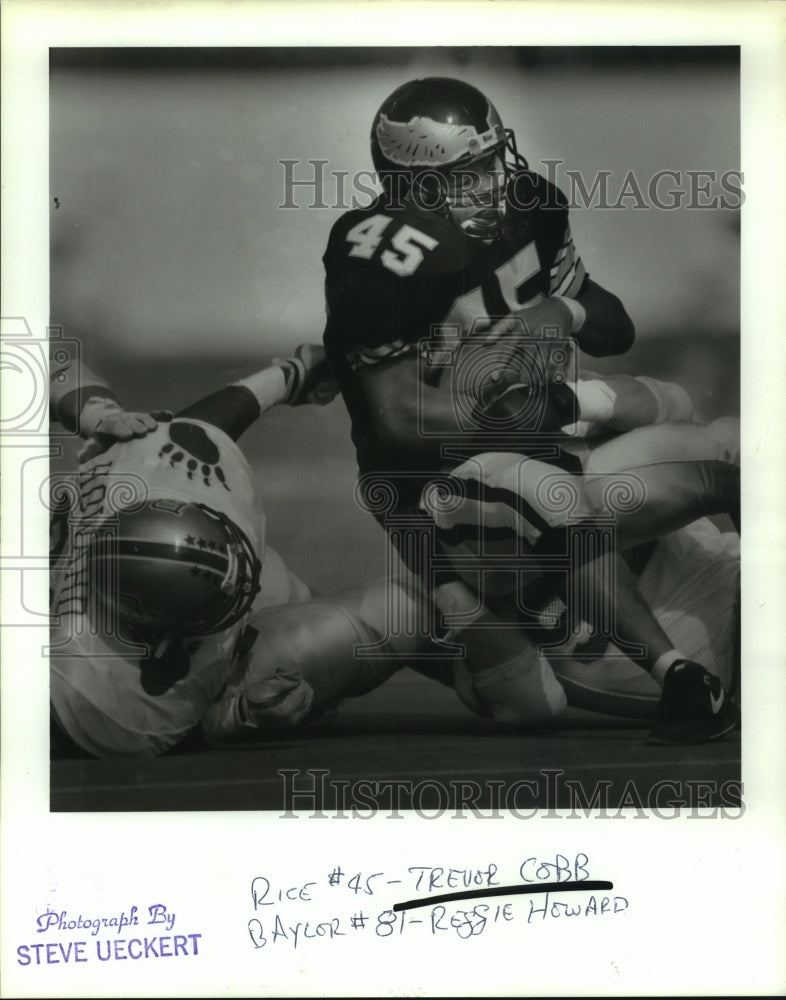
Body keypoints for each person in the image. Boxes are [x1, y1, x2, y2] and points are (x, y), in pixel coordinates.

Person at [322, 76, 738, 746]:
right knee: (542, 496)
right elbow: (401, 420)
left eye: (494, 160)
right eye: (471, 174)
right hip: (437, 491)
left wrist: (563, 309)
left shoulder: (529, 207)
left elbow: (613, 325)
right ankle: (676, 677)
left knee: (734, 448)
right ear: (415, 187)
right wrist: (551, 411)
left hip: (544, 446)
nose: (495, 183)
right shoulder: (378, 253)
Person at [48, 347, 426, 758]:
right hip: (149, 651)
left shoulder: (136, 473)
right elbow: (137, 731)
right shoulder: (89, 688)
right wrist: (231, 718)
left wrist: (294, 374)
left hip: (189, 576)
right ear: (154, 631)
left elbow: (191, 429)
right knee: (406, 613)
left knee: (401, 612)